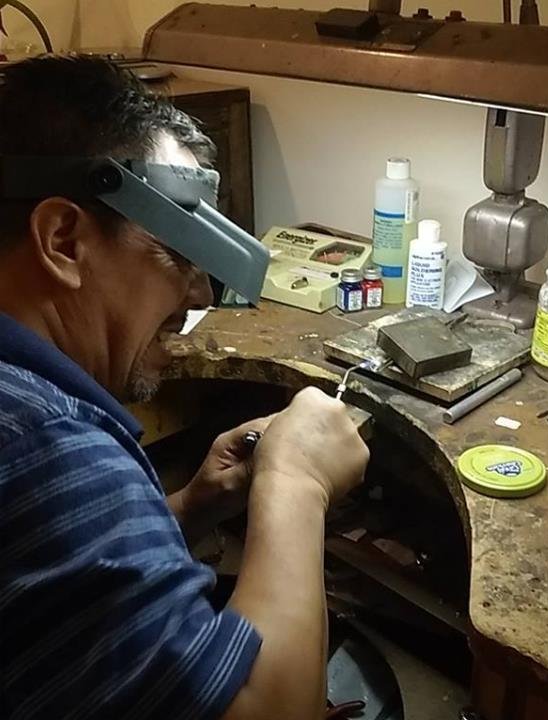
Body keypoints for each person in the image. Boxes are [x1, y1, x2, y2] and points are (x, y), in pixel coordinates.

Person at [0, 56, 369, 720]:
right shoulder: (47, 448)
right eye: (175, 252)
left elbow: (49, 584)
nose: (199, 294)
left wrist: (190, 508)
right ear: (63, 240)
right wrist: (296, 483)